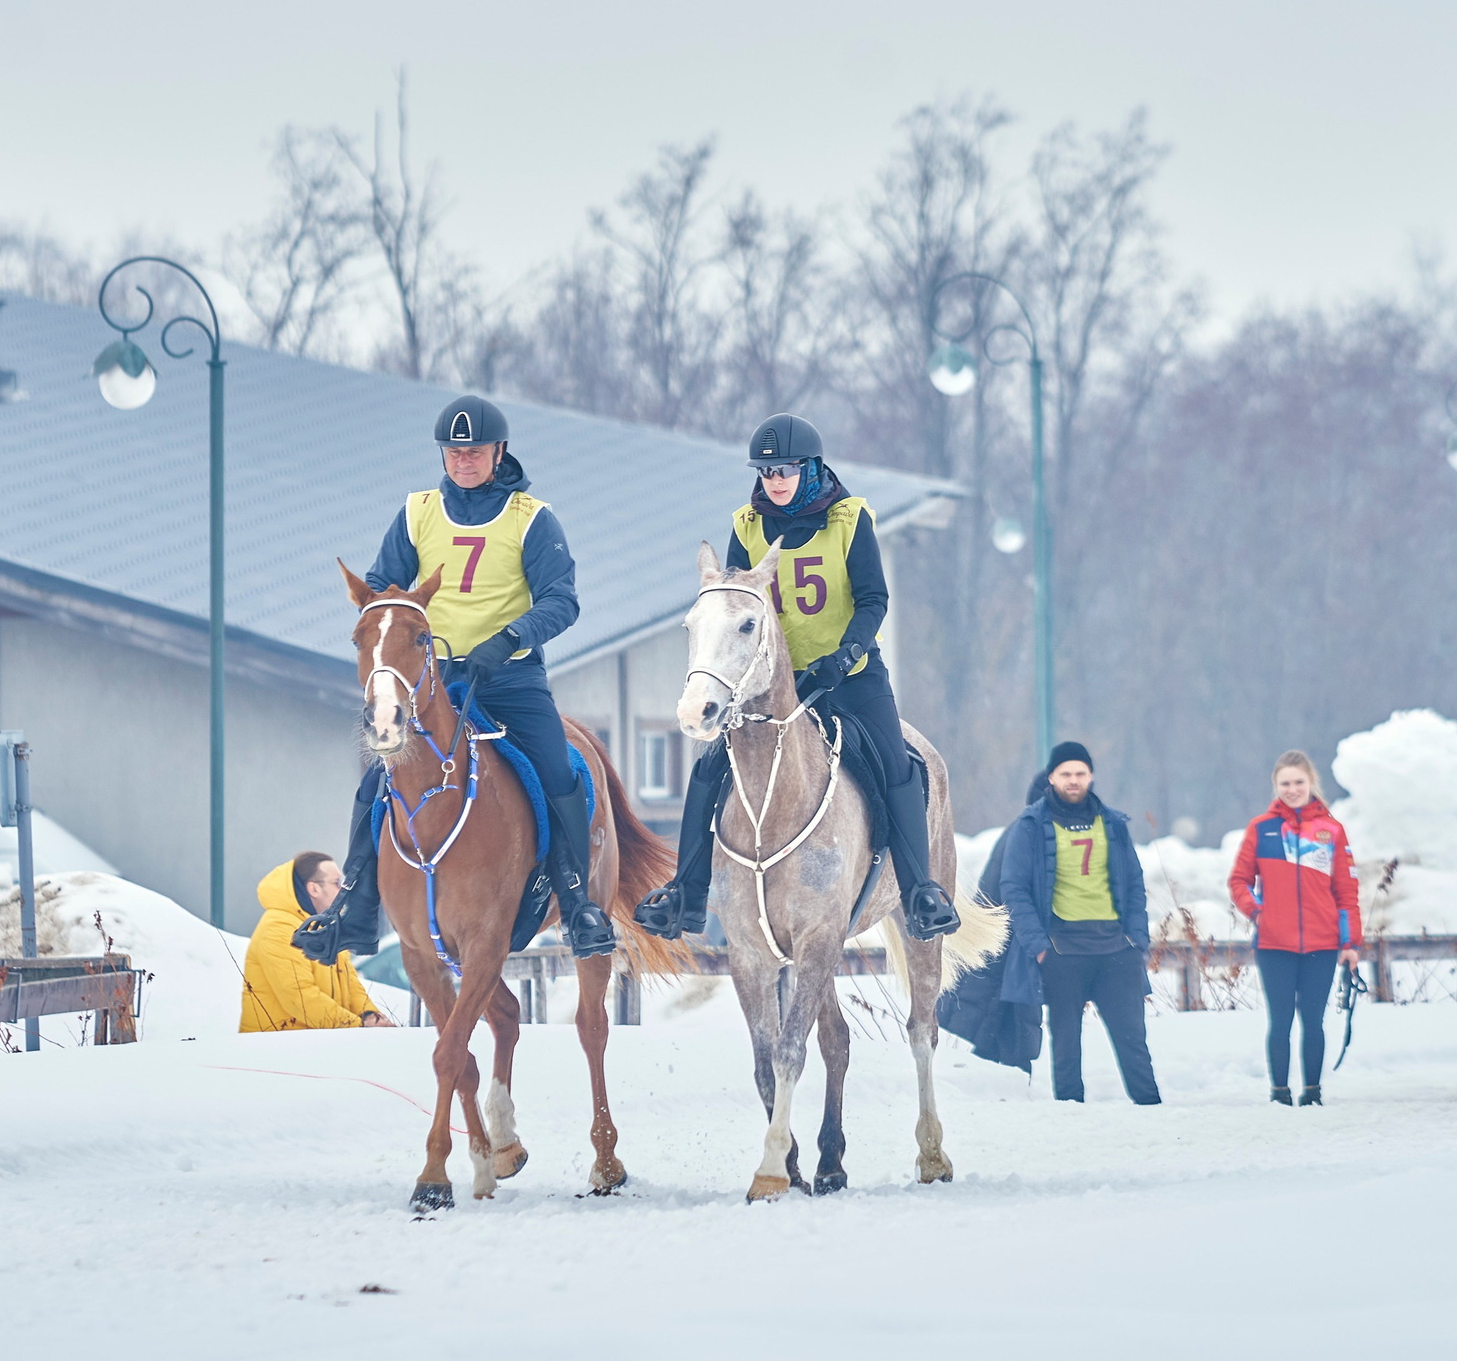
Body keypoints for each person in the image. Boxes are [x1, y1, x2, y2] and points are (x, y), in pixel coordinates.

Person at [634, 413, 961, 941]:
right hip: (773, 685)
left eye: (784, 469)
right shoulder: (746, 524)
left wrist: (847, 651)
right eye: (765, 472)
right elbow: (739, 600)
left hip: (849, 675)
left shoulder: (849, 519)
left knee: (896, 764)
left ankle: (921, 890)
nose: (775, 480)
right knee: (709, 767)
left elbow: (874, 598)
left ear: (810, 467)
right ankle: (687, 894)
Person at [361, 394, 612, 959]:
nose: (463, 461)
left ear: (499, 453)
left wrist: (508, 640)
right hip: (431, 680)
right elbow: (383, 587)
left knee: (557, 765)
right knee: (380, 772)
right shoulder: (416, 512)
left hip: (511, 678)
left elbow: (562, 602)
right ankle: (353, 901)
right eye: (453, 452)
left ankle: (577, 902)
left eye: (474, 451)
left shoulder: (532, 519)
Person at [997, 742, 1159, 1104]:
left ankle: (1153, 1114)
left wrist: (1137, 940)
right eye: (1066, 774)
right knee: (1066, 1045)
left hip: (1117, 951)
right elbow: (1015, 888)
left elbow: (1134, 882)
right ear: (1051, 777)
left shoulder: (1114, 824)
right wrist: (1038, 947)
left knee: (1133, 1042)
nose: (1073, 780)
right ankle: (1072, 1118)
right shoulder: (1030, 825)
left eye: (1080, 773)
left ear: (1091, 776)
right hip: (1061, 952)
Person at [1228, 750, 1361, 1105]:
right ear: (1275, 786)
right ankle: (1279, 1092)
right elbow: (1239, 880)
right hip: (1274, 944)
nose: (1292, 789)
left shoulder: (1331, 830)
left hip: (1322, 943)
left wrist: (1350, 943)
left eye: (1298, 782)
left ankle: (1313, 1092)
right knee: (1280, 1022)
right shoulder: (1262, 828)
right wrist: (1257, 912)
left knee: (1314, 1023)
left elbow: (1347, 892)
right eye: (1285, 783)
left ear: (1311, 783)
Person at [938, 796, 1042, 1073]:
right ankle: (1007, 1073)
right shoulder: (1028, 835)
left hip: (995, 938)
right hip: (1007, 939)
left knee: (992, 1006)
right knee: (1003, 1009)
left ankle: (1000, 1070)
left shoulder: (1017, 831)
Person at [242, 851, 387, 1031]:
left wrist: (370, 1015)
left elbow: (351, 985)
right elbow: (299, 997)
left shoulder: (325, 927)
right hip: (276, 1049)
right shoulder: (279, 928)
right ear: (314, 889)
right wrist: (357, 1025)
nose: (343, 890)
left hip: (314, 1043)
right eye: (337, 883)